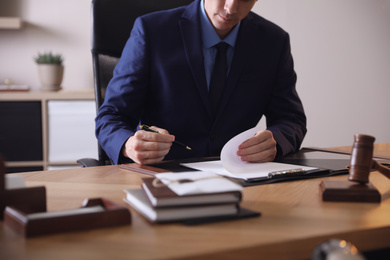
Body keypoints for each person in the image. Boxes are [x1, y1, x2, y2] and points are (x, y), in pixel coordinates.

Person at [95, 0, 307, 165]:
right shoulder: (150, 31)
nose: (231, 8)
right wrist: (128, 144)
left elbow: (291, 119)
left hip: (241, 177)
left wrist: (275, 141)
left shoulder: (274, 42)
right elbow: (110, 116)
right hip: (164, 175)